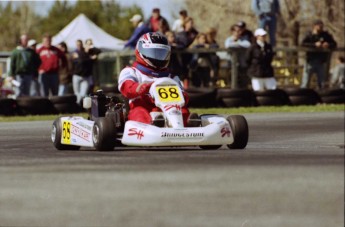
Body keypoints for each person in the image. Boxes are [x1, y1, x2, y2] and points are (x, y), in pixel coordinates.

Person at [117, 32, 196, 127]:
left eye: (161, 54)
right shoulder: (132, 71)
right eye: (153, 53)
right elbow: (126, 86)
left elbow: (183, 96)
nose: (158, 58)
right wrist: (138, 88)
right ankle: (152, 125)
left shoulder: (171, 77)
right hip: (142, 106)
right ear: (141, 51)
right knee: (139, 113)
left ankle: (189, 124)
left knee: (183, 111)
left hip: (169, 109)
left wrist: (183, 96)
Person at [300, 19, 337, 90]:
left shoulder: (325, 35)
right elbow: (303, 44)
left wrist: (328, 44)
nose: (320, 28)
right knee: (305, 82)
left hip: (321, 62)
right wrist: (314, 45)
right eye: (319, 26)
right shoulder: (309, 35)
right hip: (310, 61)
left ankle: (322, 97)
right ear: (314, 26)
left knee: (321, 83)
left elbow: (334, 44)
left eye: (321, 26)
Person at [225, 24, 252, 88]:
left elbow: (248, 45)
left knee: (244, 82)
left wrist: (237, 43)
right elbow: (228, 45)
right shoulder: (229, 39)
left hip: (242, 65)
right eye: (236, 31)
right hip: (232, 65)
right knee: (233, 82)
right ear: (232, 31)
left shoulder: (244, 39)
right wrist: (238, 44)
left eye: (239, 31)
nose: (238, 32)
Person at [72, 40, 94, 105]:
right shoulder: (75, 53)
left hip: (85, 77)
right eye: (77, 44)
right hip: (77, 76)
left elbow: (98, 51)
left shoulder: (87, 52)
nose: (79, 46)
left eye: (80, 44)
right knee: (76, 93)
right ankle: (78, 106)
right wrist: (89, 58)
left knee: (83, 93)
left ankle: (82, 105)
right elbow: (79, 60)